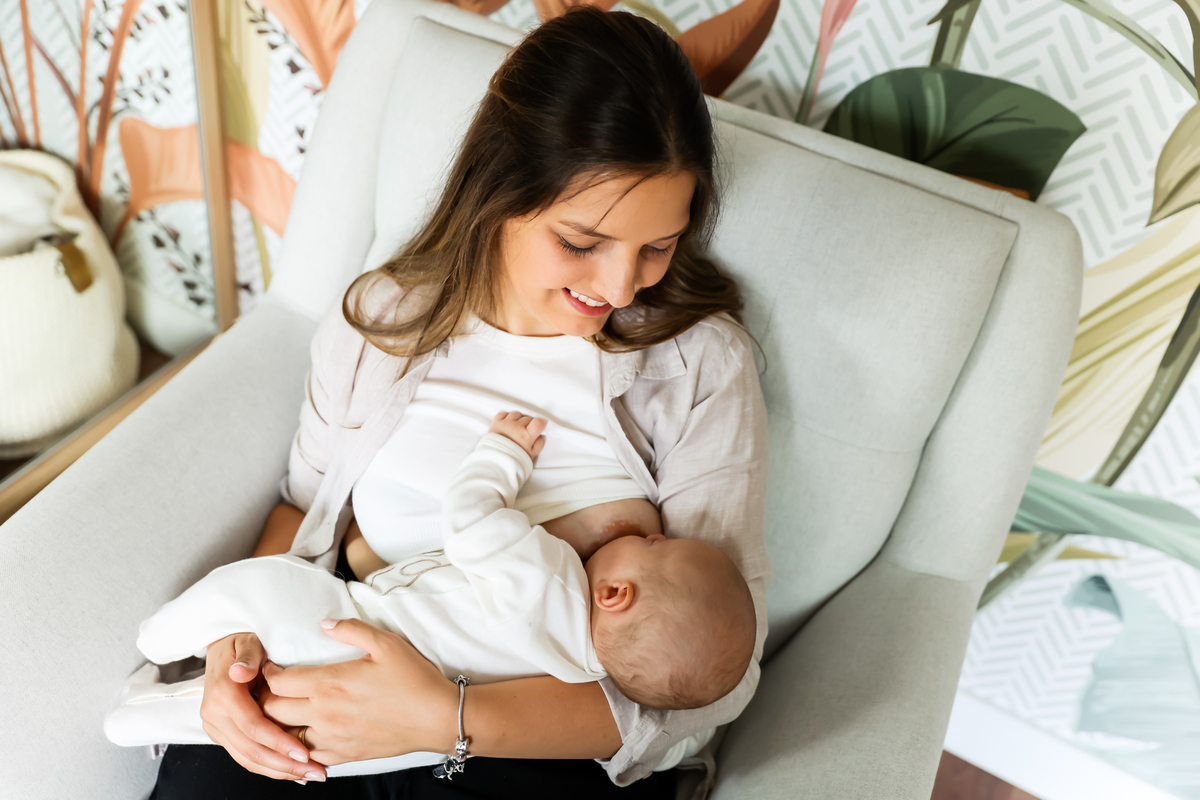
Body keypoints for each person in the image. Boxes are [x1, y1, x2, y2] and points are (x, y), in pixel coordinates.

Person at [150, 6, 769, 799]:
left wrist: (445, 716)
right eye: (581, 242)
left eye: (659, 246)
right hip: (328, 670)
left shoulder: (697, 365)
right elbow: (302, 510)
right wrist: (231, 648)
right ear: (501, 191)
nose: (620, 287)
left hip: (519, 745)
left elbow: (711, 674)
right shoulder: (382, 323)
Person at [132, 411, 756, 748]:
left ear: (614, 594)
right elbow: (303, 501)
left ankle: (157, 640)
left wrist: (502, 455)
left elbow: (472, 520)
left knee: (266, 587)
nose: (656, 535)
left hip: (352, 623)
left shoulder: (549, 576)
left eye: (655, 544)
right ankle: (146, 719)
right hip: (388, 700)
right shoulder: (582, 668)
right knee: (280, 738)